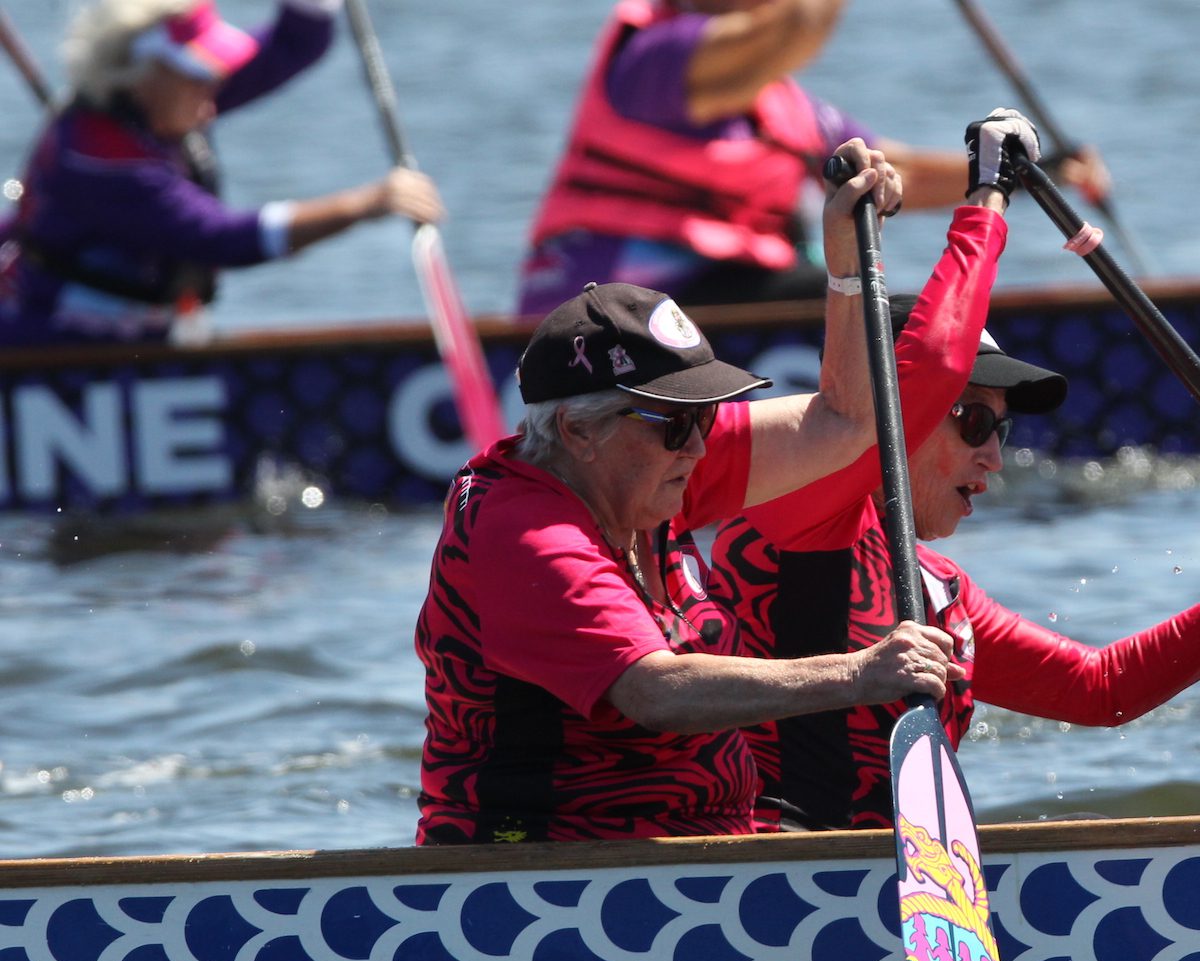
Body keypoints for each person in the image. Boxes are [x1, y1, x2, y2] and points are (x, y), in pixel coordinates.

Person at [413, 127, 1026, 845]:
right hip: (543, 884)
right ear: (578, 432)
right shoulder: (524, 532)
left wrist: (846, 259)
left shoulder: (644, 474)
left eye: (705, 417)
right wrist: (859, 673)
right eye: (674, 425)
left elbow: (844, 423)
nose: (699, 445)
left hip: (697, 858)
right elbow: (656, 690)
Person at [707, 307, 1200, 832]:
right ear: (898, 414)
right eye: (974, 421)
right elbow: (841, 416)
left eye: (1000, 429)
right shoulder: (780, 524)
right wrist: (980, 225)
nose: (994, 455)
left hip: (908, 875)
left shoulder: (939, 585)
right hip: (778, 867)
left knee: (1089, 830)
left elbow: (1102, 689)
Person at [515, 0, 1110, 317]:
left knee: (859, 293)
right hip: (597, 310)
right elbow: (797, 24)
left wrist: (1024, 170)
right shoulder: (653, 58)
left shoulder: (784, 105)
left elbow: (898, 169)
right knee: (857, 301)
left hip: (722, 297)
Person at [0, 0, 444, 345]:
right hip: (51, 353)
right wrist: (364, 204)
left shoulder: (170, 101)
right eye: (198, 73)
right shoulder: (94, 158)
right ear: (141, 74)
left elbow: (296, 43)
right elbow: (221, 238)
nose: (214, 86)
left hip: (135, 346)